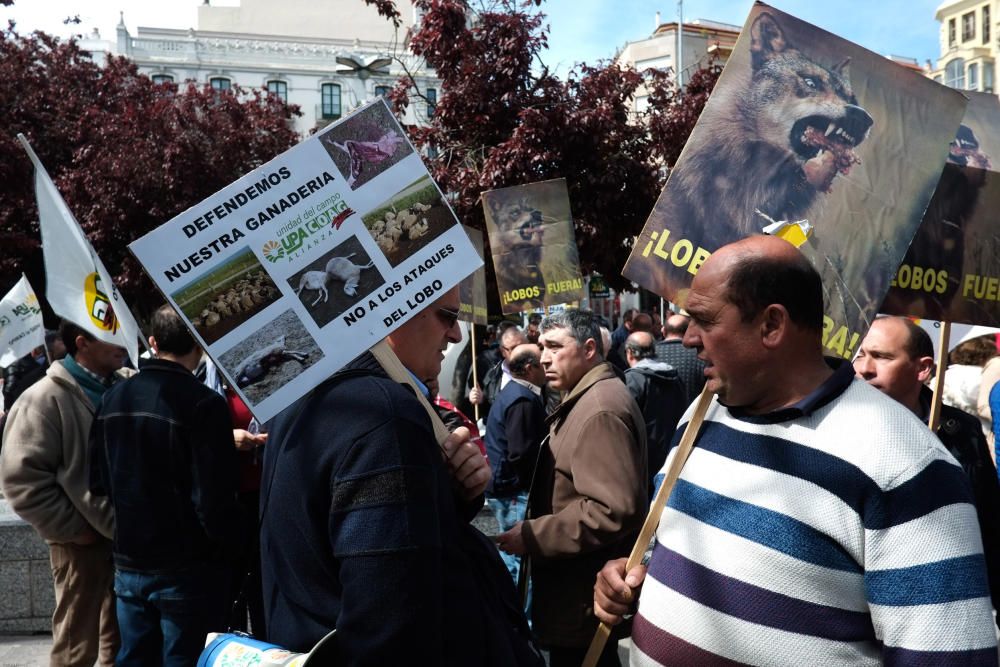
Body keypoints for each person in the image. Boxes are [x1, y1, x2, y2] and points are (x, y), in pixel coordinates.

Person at [593, 236, 998, 664]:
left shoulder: (903, 462)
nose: (687, 337)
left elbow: (948, 654)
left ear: (771, 325)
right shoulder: (702, 412)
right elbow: (677, 542)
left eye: (705, 320)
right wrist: (636, 576)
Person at [260, 287, 542, 665]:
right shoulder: (383, 415)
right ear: (390, 311)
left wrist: (448, 491)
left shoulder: (299, 396)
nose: (457, 334)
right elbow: (389, 618)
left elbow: (372, 539)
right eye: (446, 316)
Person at [89, 305, 246, 665]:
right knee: (184, 658)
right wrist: (236, 544)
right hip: (185, 565)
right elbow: (212, 499)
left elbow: (98, 482)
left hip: (130, 559)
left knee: (134, 658)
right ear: (199, 342)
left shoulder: (113, 397)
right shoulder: (204, 403)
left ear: (154, 342)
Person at [497, 309, 646, 667]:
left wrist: (534, 535)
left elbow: (611, 509)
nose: (543, 357)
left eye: (554, 347)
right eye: (541, 347)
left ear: (589, 348)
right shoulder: (588, 398)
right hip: (575, 594)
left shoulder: (599, 408)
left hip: (581, 598)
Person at [854, 315, 1000, 626]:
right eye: (860, 355)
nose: (864, 368)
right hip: (861, 610)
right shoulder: (834, 426)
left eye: (882, 356)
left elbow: (988, 519)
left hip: (942, 607)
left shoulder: (960, 429)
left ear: (923, 369)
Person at [0, 320, 131, 667]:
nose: (121, 343)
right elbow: (20, 480)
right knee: (76, 646)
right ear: (82, 343)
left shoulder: (121, 386)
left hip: (123, 535)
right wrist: (74, 530)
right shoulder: (43, 398)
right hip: (79, 545)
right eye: (109, 336)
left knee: (117, 643)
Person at [485, 343, 547, 584]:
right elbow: (520, 453)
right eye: (544, 362)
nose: (549, 365)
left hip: (508, 487)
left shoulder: (518, 393)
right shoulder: (521, 399)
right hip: (512, 490)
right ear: (531, 368)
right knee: (519, 562)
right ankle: (522, 620)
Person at [623, 331, 685, 499]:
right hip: (672, 454)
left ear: (629, 352)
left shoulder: (632, 380)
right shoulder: (674, 376)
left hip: (644, 460)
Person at [469, 325, 528, 419]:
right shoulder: (492, 376)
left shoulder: (539, 373)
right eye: (513, 348)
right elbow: (490, 409)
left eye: (521, 347)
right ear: (503, 351)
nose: (518, 352)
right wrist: (480, 400)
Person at [654, 312, 706, 405]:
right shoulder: (700, 355)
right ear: (687, 332)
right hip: (692, 415)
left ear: (664, 332)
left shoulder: (651, 355)